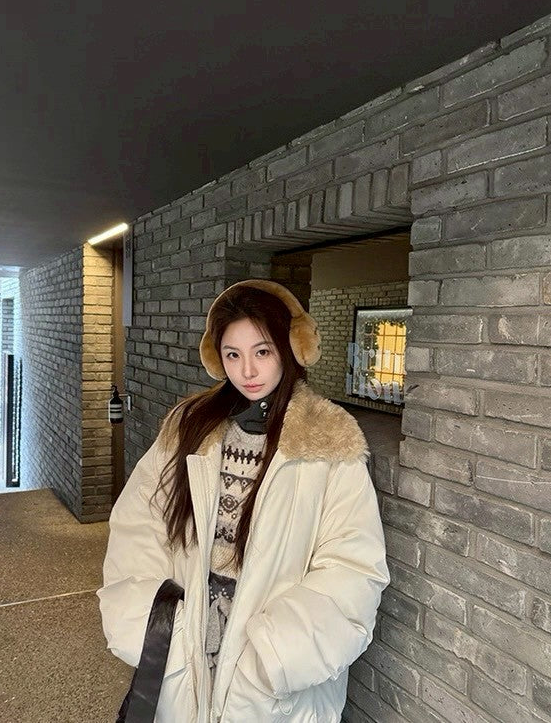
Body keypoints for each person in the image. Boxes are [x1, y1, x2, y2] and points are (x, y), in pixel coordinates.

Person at [98, 279, 389, 722]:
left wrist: (271, 656)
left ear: (290, 349)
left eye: (262, 351)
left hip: (270, 673)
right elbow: (140, 521)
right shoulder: (189, 426)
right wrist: (163, 629)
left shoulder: (330, 440)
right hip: (186, 644)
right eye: (233, 355)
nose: (248, 371)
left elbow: (352, 566)